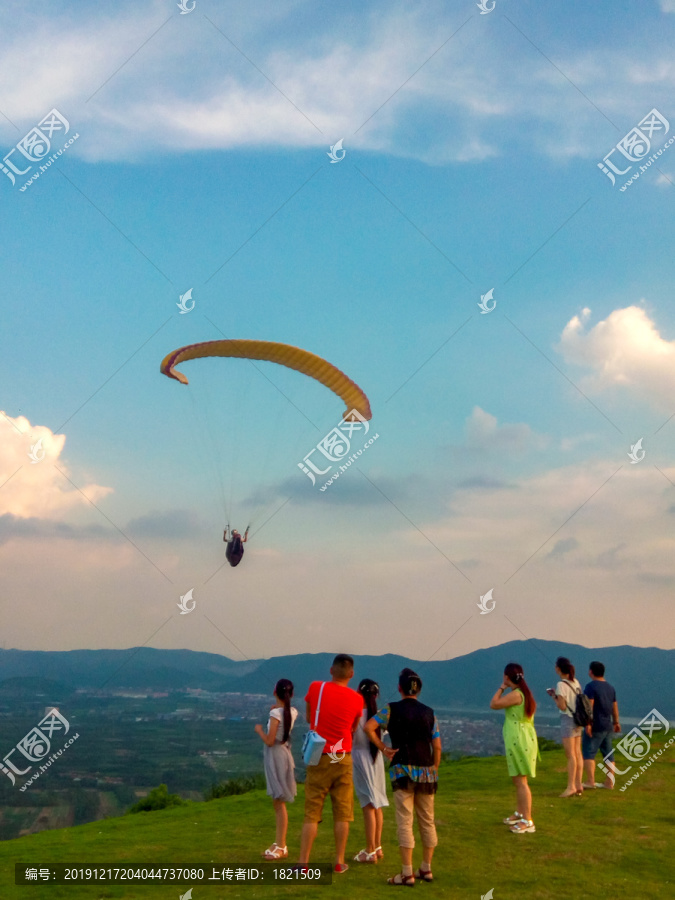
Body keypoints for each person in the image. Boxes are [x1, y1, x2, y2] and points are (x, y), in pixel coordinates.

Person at [364, 668, 441, 887]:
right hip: (426, 771)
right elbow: (436, 745)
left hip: (402, 770)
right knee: (427, 821)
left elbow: (368, 727)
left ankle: (407, 872)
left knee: (405, 821)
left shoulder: (391, 709)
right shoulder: (429, 713)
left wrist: (383, 747)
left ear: (400, 688)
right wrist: (434, 767)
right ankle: (426, 867)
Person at [298, 654, 363, 874]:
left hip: (319, 756)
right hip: (342, 756)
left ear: (331, 670)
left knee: (312, 812)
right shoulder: (357, 699)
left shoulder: (317, 688)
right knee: (343, 812)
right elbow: (353, 728)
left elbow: (309, 718)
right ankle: (338, 861)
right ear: (351, 675)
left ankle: (303, 863)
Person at [490, 662, 538, 834]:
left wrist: (501, 687)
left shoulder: (517, 694)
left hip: (519, 739)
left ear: (507, 677)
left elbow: (494, 704)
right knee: (517, 779)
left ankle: (528, 819)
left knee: (521, 781)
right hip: (520, 738)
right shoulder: (524, 693)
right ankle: (520, 813)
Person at [254, 679, 298, 859]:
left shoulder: (276, 713)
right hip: (284, 753)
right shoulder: (292, 711)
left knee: (279, 802)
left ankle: (282, 845)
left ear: (275, 692)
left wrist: (259, 731)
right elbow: (284, 712)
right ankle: (279, 841)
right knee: (278, 801)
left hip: (275, 755)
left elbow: (270, 740)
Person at [352, 679, 388, 864]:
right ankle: (377, 846)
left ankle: (370, 850)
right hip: (376, 760)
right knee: (377, 804)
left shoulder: (356, 715)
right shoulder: (379, 717)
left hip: (360, 759)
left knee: (368, 805)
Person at [581, 661, 621, 790]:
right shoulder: (610, 688)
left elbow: (589, 706)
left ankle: (590, 781)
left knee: (588, 753)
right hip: (607, 725)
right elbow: (614, 707)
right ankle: (609, 782)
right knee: (609, 754)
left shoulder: (591, 687)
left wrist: (588, 723)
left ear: (591, 672)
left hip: (596, 725)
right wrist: (616, 722)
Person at [548, 656, 583, 797]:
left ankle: (571, 787)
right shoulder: (575, 682)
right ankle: (579, 784)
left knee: (570, 755)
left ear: (558, 669)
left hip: (568, 719)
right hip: (579, 720)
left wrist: (554, 697)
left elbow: (562, 707)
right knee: (577, 752)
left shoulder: (561, 685)